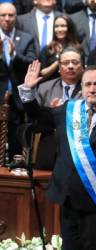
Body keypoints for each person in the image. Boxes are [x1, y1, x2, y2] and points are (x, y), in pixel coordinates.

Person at [20, 64, 96, 250]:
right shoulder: (69, 110)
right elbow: (39, 116)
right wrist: (28, 91)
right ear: (82, 87)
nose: (92, 89)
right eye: (87, 85)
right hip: (68, 199)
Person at [18, 46, 84, 170]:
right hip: (50, 151)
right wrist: (28, 90)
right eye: (65, 63)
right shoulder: (45, 88)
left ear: (82, 67)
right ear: (59, 68)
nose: (70, 66)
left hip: (81, 154)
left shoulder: (90, 89)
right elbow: (35, 118)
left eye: (75, 62)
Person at [0, 2, 36, 160]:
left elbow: (32, 63)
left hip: (17, 98)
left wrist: (14, 55)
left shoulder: (26, 38)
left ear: (16, 17)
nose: (7, 19)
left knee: (16, 138)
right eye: (3, 15)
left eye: (11, 15)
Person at [39, 15, 81, 82]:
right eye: (56, 26)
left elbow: (82, 72)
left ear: (69, 28)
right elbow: (42, 74)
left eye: (63, 26)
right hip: (51, 87)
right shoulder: (48, 49)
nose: (59, 29)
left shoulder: (78, 49)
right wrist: (58, 62)